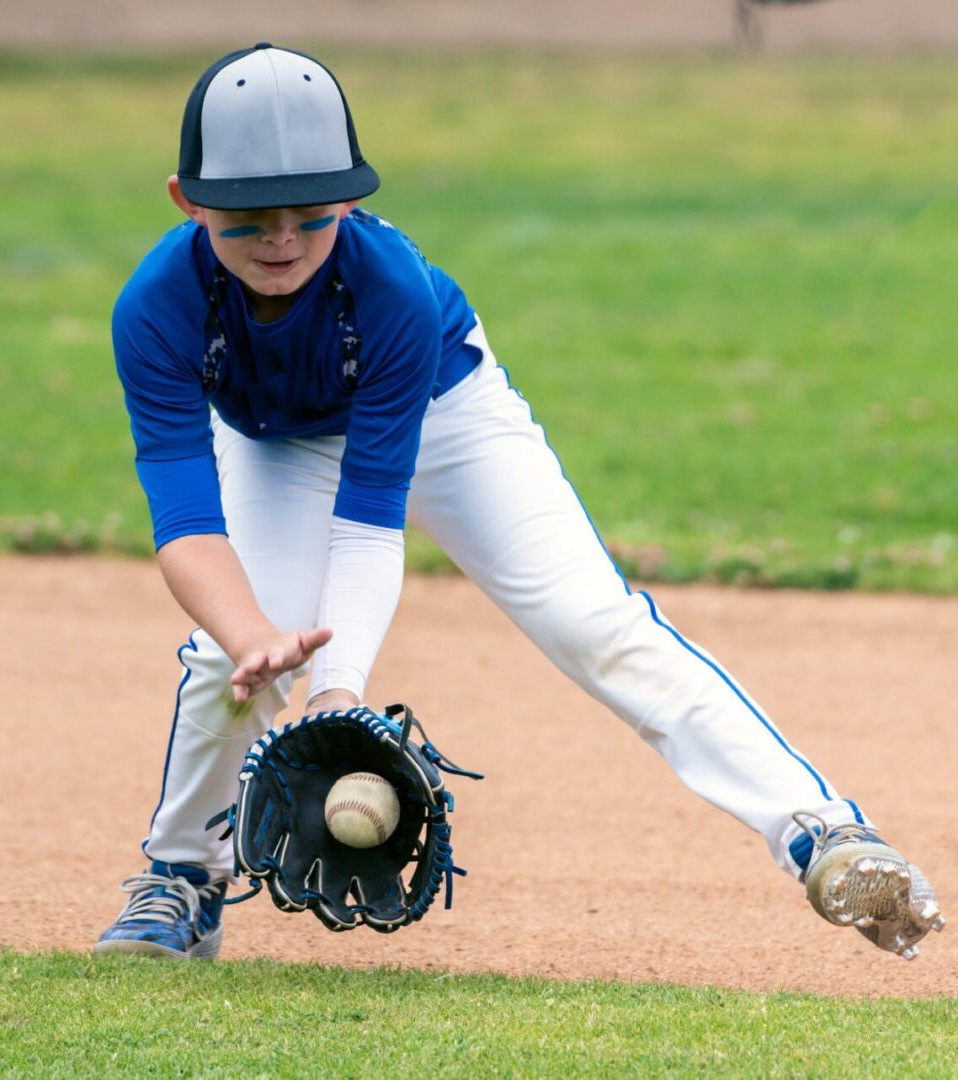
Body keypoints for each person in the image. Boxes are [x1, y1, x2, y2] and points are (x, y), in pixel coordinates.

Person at [95, 44, 944, 961]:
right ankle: (181, 878)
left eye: (315, 211)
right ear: (188, 201)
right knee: (228, 662)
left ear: (354, 199)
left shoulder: (389, 293)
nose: (284, 239)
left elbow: (372, 518)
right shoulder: (155, 308)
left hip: (443, 407)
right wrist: (255, 637)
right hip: (277, 445)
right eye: (251, 217)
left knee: (593, 622)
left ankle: (823, 833)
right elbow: (186, 525)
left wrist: (337, 693)